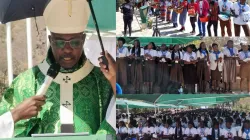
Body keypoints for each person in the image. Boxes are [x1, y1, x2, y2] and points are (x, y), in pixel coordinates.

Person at [0, 0, 116, 138]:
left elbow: (118, 124)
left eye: (75, 42)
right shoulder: (25, 83)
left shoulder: (103, 82)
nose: (67, 49)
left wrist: (115, 81)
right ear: (51, 39)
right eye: (60, 42)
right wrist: (15, 115)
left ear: (83, 40)